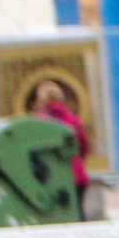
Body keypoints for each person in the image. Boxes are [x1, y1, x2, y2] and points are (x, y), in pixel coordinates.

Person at [29, 79, 95, 220]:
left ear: (41, 99)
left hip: (54, 176)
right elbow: (83, 145)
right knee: (79, 214)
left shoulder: (39, 121)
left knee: (58, 216)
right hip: (78, 176)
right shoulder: (72, 119)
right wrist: (77, 162)